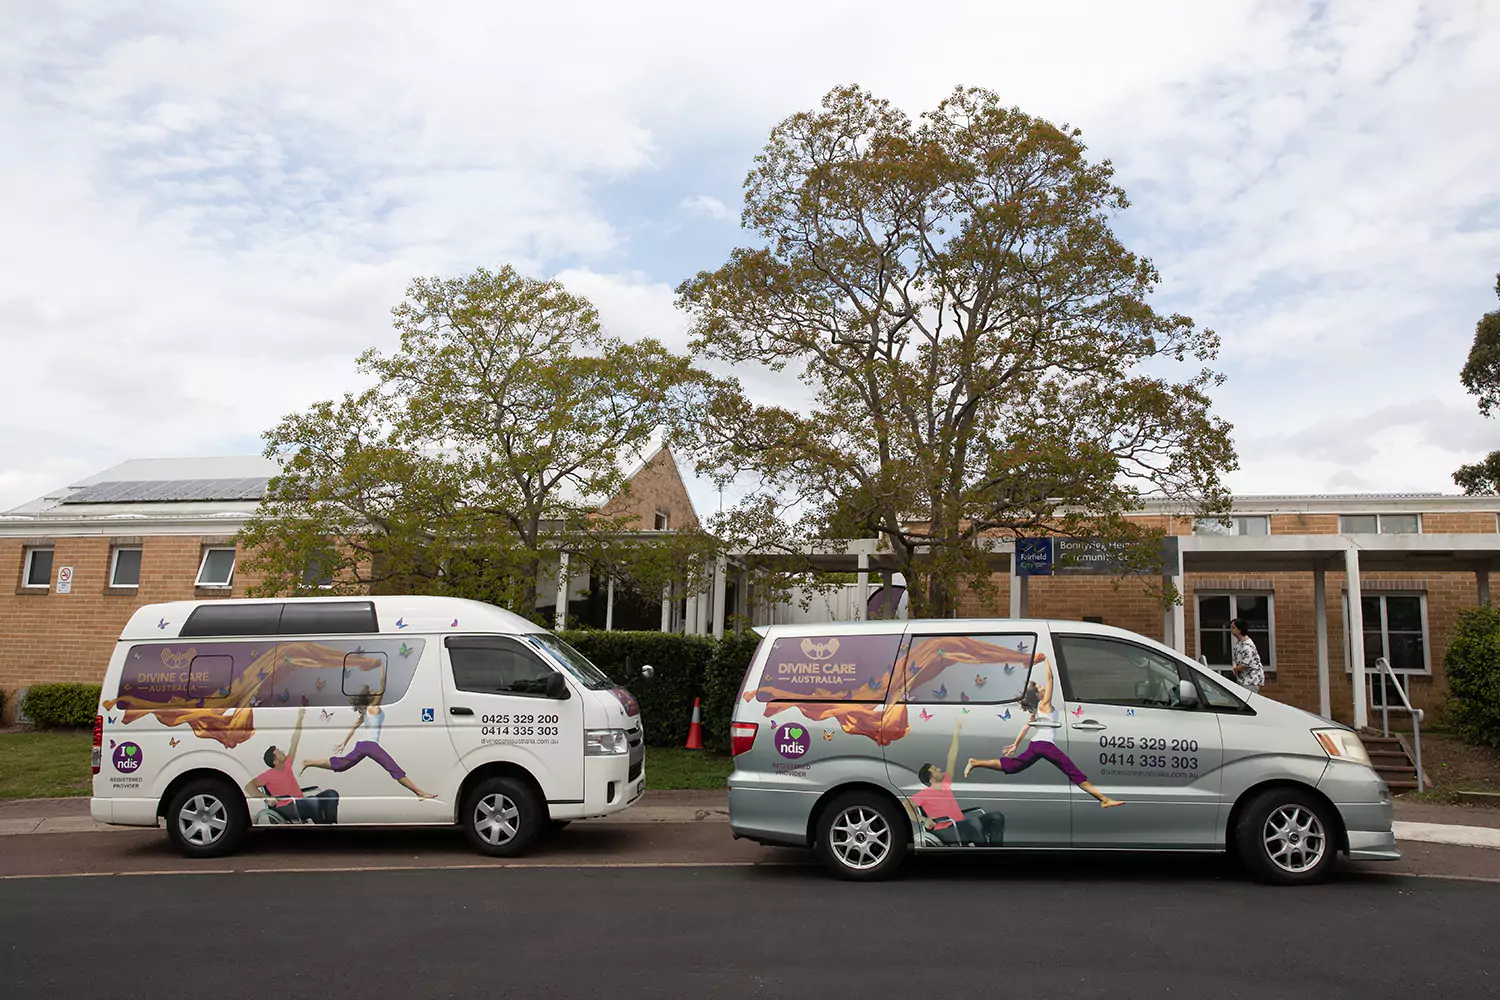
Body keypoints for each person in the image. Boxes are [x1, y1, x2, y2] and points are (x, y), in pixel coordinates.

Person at [966, 662, 1124, 809]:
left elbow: (1026, 727)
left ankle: (976, 762)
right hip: (1045, 745)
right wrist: (1047, 659)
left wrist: (1016, 744)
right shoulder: (1044, 704)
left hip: (1036, 745)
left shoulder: (1037, 709)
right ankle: (1103, 799)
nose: (1043, 688)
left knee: (1014, 766)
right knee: (1073, 772)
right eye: (1041, 688)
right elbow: (1050, 678)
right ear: (1039, 695)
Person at [299, 681, 436, 800]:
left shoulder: (366, 711)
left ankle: (309, 762)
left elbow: (354, 726)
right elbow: (382, 686)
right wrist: (382, 668)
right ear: (371, 697)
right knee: (394, 769)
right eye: (372, 691)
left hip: (362, 745)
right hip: (370, 745)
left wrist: (344, 743)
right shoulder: (374, 707)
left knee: (341, 765)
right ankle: (419, 793)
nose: (375, 691)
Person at [905, 717, 1006, 846]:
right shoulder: (925, 794)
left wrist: (956, 732)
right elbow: (905, 805)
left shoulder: (945, 784)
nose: (940, 769)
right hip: (946, 830)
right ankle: (985, 860)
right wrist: (923, 820)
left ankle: (995, 854)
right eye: (936, 770)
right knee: (973, 824)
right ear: (932, 779)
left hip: (961, 826)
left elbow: (952, 757)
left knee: (996, 817)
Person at [244, 706, 340, 824]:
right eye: (278, 752)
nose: (282, 752)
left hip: (300, 803)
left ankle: (330, 825)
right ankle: (322, 829)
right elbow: (249, 787)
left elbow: (294, 742)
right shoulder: (268, 775)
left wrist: (300, 719)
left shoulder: (287, 765)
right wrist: (267, 798)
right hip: (286, 808)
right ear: (275, 761)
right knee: (313, 802)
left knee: (331, 794)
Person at [1230, 619, 1266, 694]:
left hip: (1250, 680)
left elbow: (1247, 664)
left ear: (1240, 630)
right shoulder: (1239, 643)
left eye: (1233, 628)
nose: (1231, 630)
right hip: (1243, 680)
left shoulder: (1246, 646)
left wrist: (1236, 668)